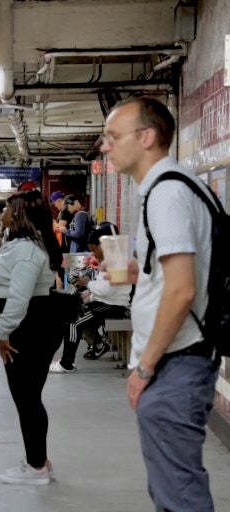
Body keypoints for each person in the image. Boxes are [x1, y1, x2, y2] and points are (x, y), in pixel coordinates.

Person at [101, 96, 218, 511]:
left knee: (178, 495)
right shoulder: (169, 187)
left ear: (147, 137)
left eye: (113, 136)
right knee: (172, 487)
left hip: (177, 361)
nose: (105, 146)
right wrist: (135, 271)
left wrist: (144, 367)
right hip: (180, 361)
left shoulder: (166, 192)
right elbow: (172, 274)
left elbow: (182, 289)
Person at [0, 189, 64, 485]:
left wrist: (2, 332)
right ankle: (39, 461)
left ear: (19, 213)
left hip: (28, 328)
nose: (3, 213)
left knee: (27, 399)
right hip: (33, 326)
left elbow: (19, 299)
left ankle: (35, 468)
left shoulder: (25, 251)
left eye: (7, 208)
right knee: (29, 398)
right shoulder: (26, 245)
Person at [49, 225, 131, 373]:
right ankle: (94, 346)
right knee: (71, 312)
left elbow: (106, 291)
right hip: (107, 303)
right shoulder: (112, 259)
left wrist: (87, 283)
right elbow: (104, 287)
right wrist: (88, 293)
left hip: (113, 306)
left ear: (102, 244)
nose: (94, 253)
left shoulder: (116, 261)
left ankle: (66, 364)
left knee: (75, 324)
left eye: (94, 249)